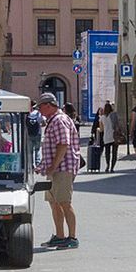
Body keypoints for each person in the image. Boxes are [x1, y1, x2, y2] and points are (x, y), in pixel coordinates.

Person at [35, 93, 81, 249]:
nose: (39, 110)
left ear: (49, 105)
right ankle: (60, 236)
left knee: (64, 202)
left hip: (63, 168)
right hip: (56, 169)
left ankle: (72, 237)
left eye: (40, 107)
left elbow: (63, 144)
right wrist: (43, 166)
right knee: (54, 202)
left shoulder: (60, 120)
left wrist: (53, 166)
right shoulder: (53, 120)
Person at [101, 101, 120, 172]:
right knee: (114, 152)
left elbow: (102, 129)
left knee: (107, 152)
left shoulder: (102, 117)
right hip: (114, 135)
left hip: (106, 136)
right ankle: (112, 167)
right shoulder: (114, 115)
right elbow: (117, 125)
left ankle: (107, 165)